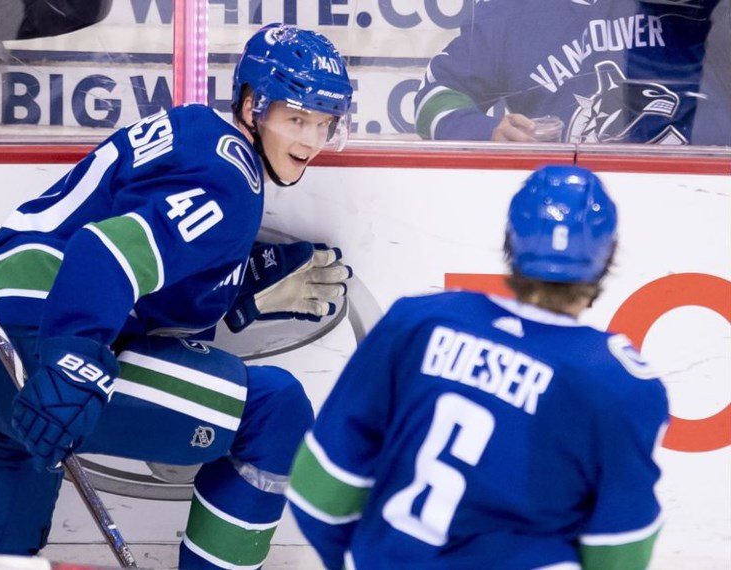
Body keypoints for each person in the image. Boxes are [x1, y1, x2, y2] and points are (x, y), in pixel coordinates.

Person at [0, 23, 354, 570]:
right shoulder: (233, 178)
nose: (311, 142)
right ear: (251, 105)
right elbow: (106, 252)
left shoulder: (189, 132)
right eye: (296, 119)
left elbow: (148, 265)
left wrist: (238, 291)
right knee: (275, 408)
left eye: (324, 124)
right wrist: (73, 361)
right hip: (45, 345)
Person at [287, 165, 670, 569]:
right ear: (608, 256)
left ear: (510, 243)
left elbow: (320, 488)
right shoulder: (619, 384)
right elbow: (619, 548)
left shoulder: (417, 322)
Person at [413, 0, 721, 144]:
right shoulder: (513, 13)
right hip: (565, 218)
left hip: (699, 206)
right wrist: (487, 133)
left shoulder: (706, 7)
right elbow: (434, 96)